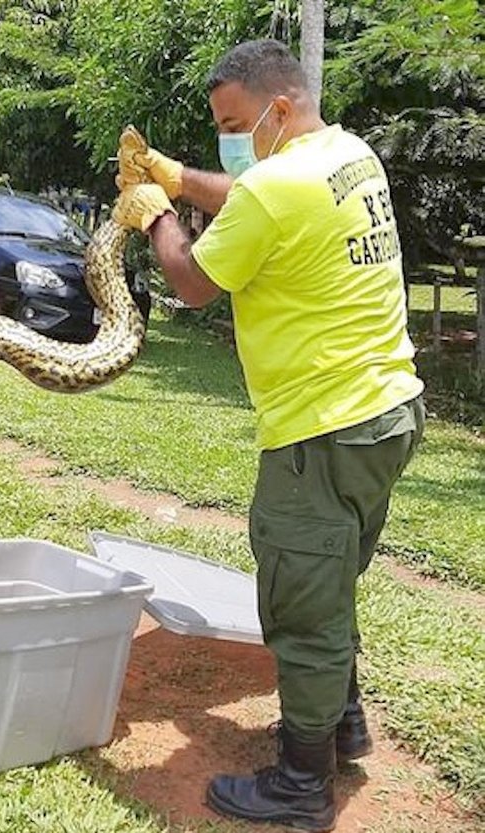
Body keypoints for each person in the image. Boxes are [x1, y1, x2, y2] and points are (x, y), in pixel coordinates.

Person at [112, 39, 425, 833]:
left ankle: (301, 783)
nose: (231, 138)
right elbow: (254, 193)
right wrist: (181, 179)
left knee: (301, 603)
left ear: (279, 109)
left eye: (235, 122)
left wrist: (155, 215)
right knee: (333, 575)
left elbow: (191, 281)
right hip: (387, 412)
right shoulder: (349, 155)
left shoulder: (276, 185)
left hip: (320, 430)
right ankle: (343, 720)